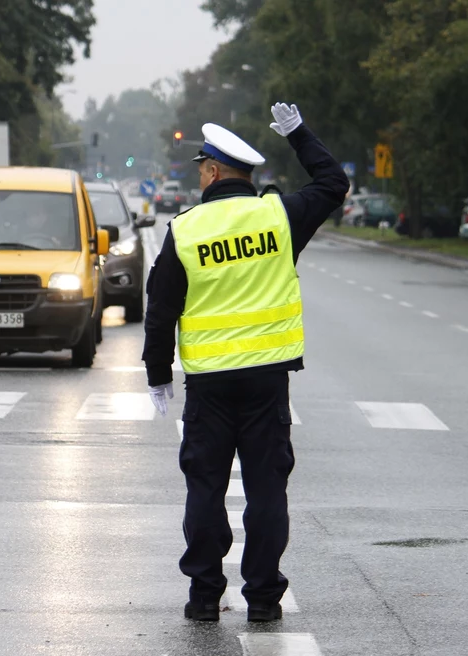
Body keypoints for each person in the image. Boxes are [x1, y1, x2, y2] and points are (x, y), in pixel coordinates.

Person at [143, 103, 348, 623]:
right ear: (244, 174)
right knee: (265, 491)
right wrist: (299, 134)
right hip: (266, 382)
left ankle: (205, 596)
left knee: (206, 488)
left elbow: (162, 306)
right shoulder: (279, 216)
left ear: (212, 172)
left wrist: (158, 375)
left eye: (200, 170)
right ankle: (262, 599)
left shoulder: (187, 230)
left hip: (210, 386)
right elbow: (333, 182)